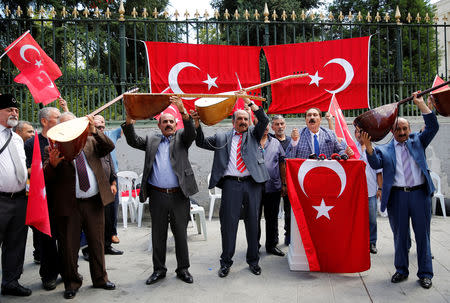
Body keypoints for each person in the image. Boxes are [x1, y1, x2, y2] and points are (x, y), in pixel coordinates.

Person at [360, 92, 438, 289]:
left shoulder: (418, 141)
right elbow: (375, 162)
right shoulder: (384, 149)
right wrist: (369, 148)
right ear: (392, 131)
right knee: (400, 236)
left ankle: (426, 273)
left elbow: (433, 126)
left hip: (420, 195)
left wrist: (421, 105)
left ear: (409, 129)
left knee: (423, 236)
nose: (402, 132)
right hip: (398, 197)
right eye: (398, 129)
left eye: (405, 129)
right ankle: (401, 270)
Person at [192, 91, 269, 278]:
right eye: (240, 118)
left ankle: (253, 261)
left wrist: (249, 102)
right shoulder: (221, 138)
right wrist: (196, 123)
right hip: (231, 186)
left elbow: (264, 121)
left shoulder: (254, 134)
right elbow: (200, 142)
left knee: (253, 223)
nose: (243, 121)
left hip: (252, 184)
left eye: (246, 119)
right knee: (228, 225)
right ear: (233, 121)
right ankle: (226, 262)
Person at [121, 96, 198, 285]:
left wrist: (182, 111)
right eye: (165, 122)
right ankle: (158, 270)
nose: (169, 124)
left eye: (171, 121)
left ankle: (183, 269)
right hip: (157, 195)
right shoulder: (151, 141)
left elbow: (191, 133)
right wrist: (129, 122)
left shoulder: (182, 138)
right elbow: (132, 140)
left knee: (180, 234)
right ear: (159, 125)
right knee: (158, 234)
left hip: (179, 195)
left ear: (175, 124)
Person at [44, 112, 117, 299]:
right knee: (68, 247)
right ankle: (71, 282)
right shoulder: (53, 147)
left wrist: (95, 131)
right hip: (70, 206)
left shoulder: (91, 141)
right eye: (65, 126)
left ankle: (100, 278)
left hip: (94, 202)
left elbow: (110, 146)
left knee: (97, 243)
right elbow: (46, 179)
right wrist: (52, 165)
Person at [24, 106, 62, 291]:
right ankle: (48, 275)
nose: (60, 119)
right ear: (44, 121)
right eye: (57, 117)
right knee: (46, 238)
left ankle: (67, 270)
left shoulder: (64, 138)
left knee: (66, 237)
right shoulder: (32, 143)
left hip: (63, 195)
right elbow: (25, 170)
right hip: (42, 197)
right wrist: (44, 166)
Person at [0, 94, 31, 297]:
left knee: (16, 243)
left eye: (16, 110)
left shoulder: (18, 138)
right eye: (9, 110)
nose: (14, 113)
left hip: (20, 199)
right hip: (0, 200)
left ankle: (11, 282)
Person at [93, 116, 123, 256]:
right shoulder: (87, 141)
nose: (100, 126)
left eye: (102, 123)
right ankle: (89, 248)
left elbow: (110, 163)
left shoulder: (108, 140)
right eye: (97, 123)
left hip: (110, 185)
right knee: (94, 217)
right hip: (94, 186)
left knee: (110, 214)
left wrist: (113, 182)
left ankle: (107, 244)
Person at [258, 124, 286, 257]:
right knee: (254, 219)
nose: (265, 127)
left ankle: (272, 245)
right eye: (262, 124)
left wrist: (284, 184)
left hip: (273, 187)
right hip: (254, 188)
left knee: (272, 218)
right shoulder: (251, 140)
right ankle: (254, 246)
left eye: (267, 124)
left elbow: (282, 163)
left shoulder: (275, 142)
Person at [354, 127, 383, 254]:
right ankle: (358, 242)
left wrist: (380, 188)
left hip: (370, 190)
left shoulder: (374, 150)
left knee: (372, 219)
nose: (359, 134)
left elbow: (379, 172)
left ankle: (372, 242)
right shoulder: (351, 148)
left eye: (361, 131)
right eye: (357, 131)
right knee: (356, 219)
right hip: (355, 192)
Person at [270, 115, 295, 245]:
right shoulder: (269, 140)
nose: (280, 126)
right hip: (273, 182)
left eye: (282, 124)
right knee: (272, 214)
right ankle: (273, 241)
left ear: (285, 125)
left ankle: (289, 236)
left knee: (289, 212)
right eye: (277, 124)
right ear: (272, 126)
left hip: (290, 183)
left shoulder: (292, 141)